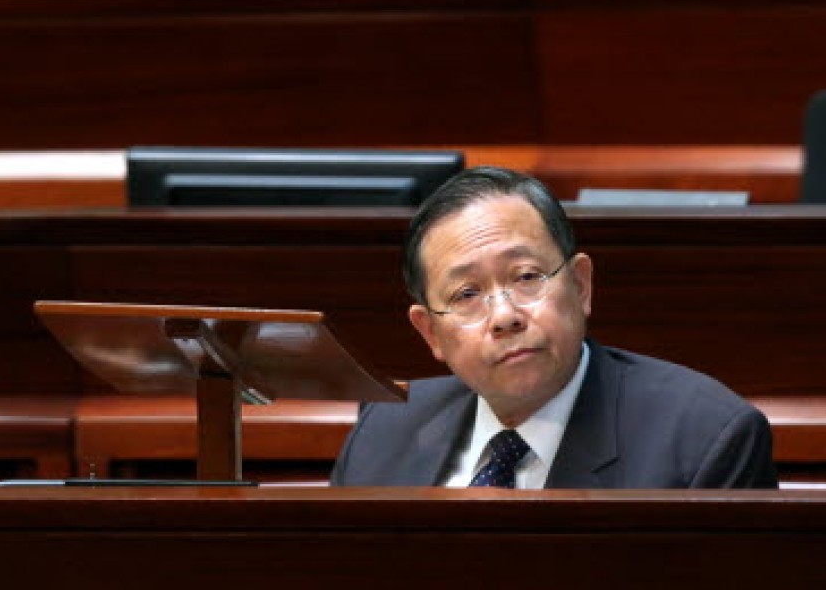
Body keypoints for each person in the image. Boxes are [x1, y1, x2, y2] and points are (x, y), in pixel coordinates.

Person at [330, 166, 777, 489]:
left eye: (526, 277)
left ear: (580, 286)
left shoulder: (704, 440)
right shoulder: (384, 431)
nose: (505, 316)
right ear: (430, 332)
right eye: (466, 295)